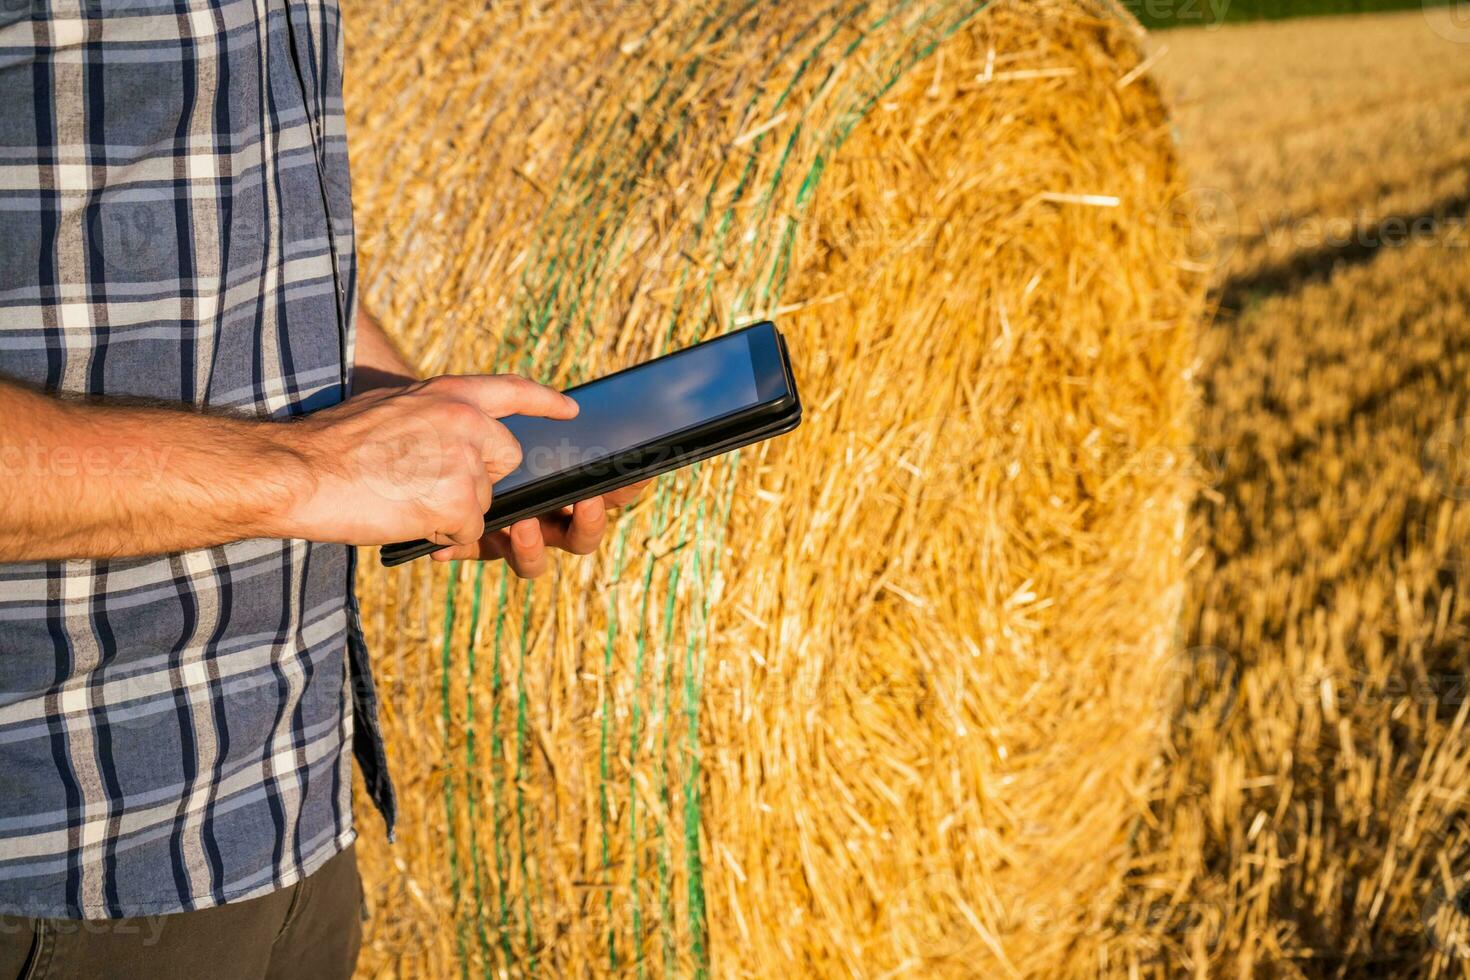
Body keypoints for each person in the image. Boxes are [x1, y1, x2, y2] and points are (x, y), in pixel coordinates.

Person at [0, 1, 642, 976]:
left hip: (292, 821)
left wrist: (416, 421)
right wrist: (317, 469)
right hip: (66, 861)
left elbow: (238, 230)